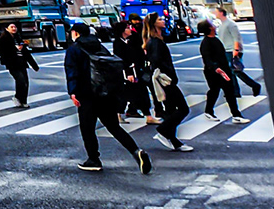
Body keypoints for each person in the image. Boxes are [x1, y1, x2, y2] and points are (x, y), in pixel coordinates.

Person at [66, 20, 152, 173]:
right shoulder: (99, 46)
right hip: (106, 94)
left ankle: (94, 159)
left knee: (88, 128)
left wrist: (73, 92)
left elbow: (72, 72)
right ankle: (135, 151)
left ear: (76, 33)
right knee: (114, 127)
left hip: (87, 95)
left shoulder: (74, 49)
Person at [142, 18, 191, 152]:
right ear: (154, 24)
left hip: (163, 79)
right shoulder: (156, 42)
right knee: (183, 109)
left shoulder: (155, 40)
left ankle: (174, 141)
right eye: (159, 19)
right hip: (165, 80)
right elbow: (157, 61)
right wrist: (169, 74)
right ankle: (163, 131)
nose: (163, 20)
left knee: (170, 110)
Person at [196, 20, 246, 122]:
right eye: (212, 24)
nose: (215, 25)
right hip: (214, 72)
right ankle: (210, 111)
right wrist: (216, 68)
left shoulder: (215, 40)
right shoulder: (206, 43)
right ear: (210, 28)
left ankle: (235, 115)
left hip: (222, 70)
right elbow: (207, 59)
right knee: (216, 91)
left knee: (228, 91)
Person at [212, 8, 263, 96]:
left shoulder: (230, 24)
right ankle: (236, 91)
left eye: (216, 12)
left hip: (232, 50)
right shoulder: (222, 24)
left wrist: (236, 50)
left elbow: (236, 38)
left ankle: (254, 85)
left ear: (221, 13)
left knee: (235, 71)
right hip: (226, 50)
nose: (214, 14)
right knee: (231, 72)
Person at [0, 22, 40, 108]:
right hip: (12, 64)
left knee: (25, 82)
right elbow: (0, 51)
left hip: (22, 63)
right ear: (7, 29)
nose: (14, 28)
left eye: (15, 27)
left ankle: (23, 101)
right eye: (11, 27)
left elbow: (26, 53)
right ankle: (17, 97)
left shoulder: (18, 38)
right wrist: (14, 49)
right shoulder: (4, 39)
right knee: (20, 80)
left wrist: (34, 65)